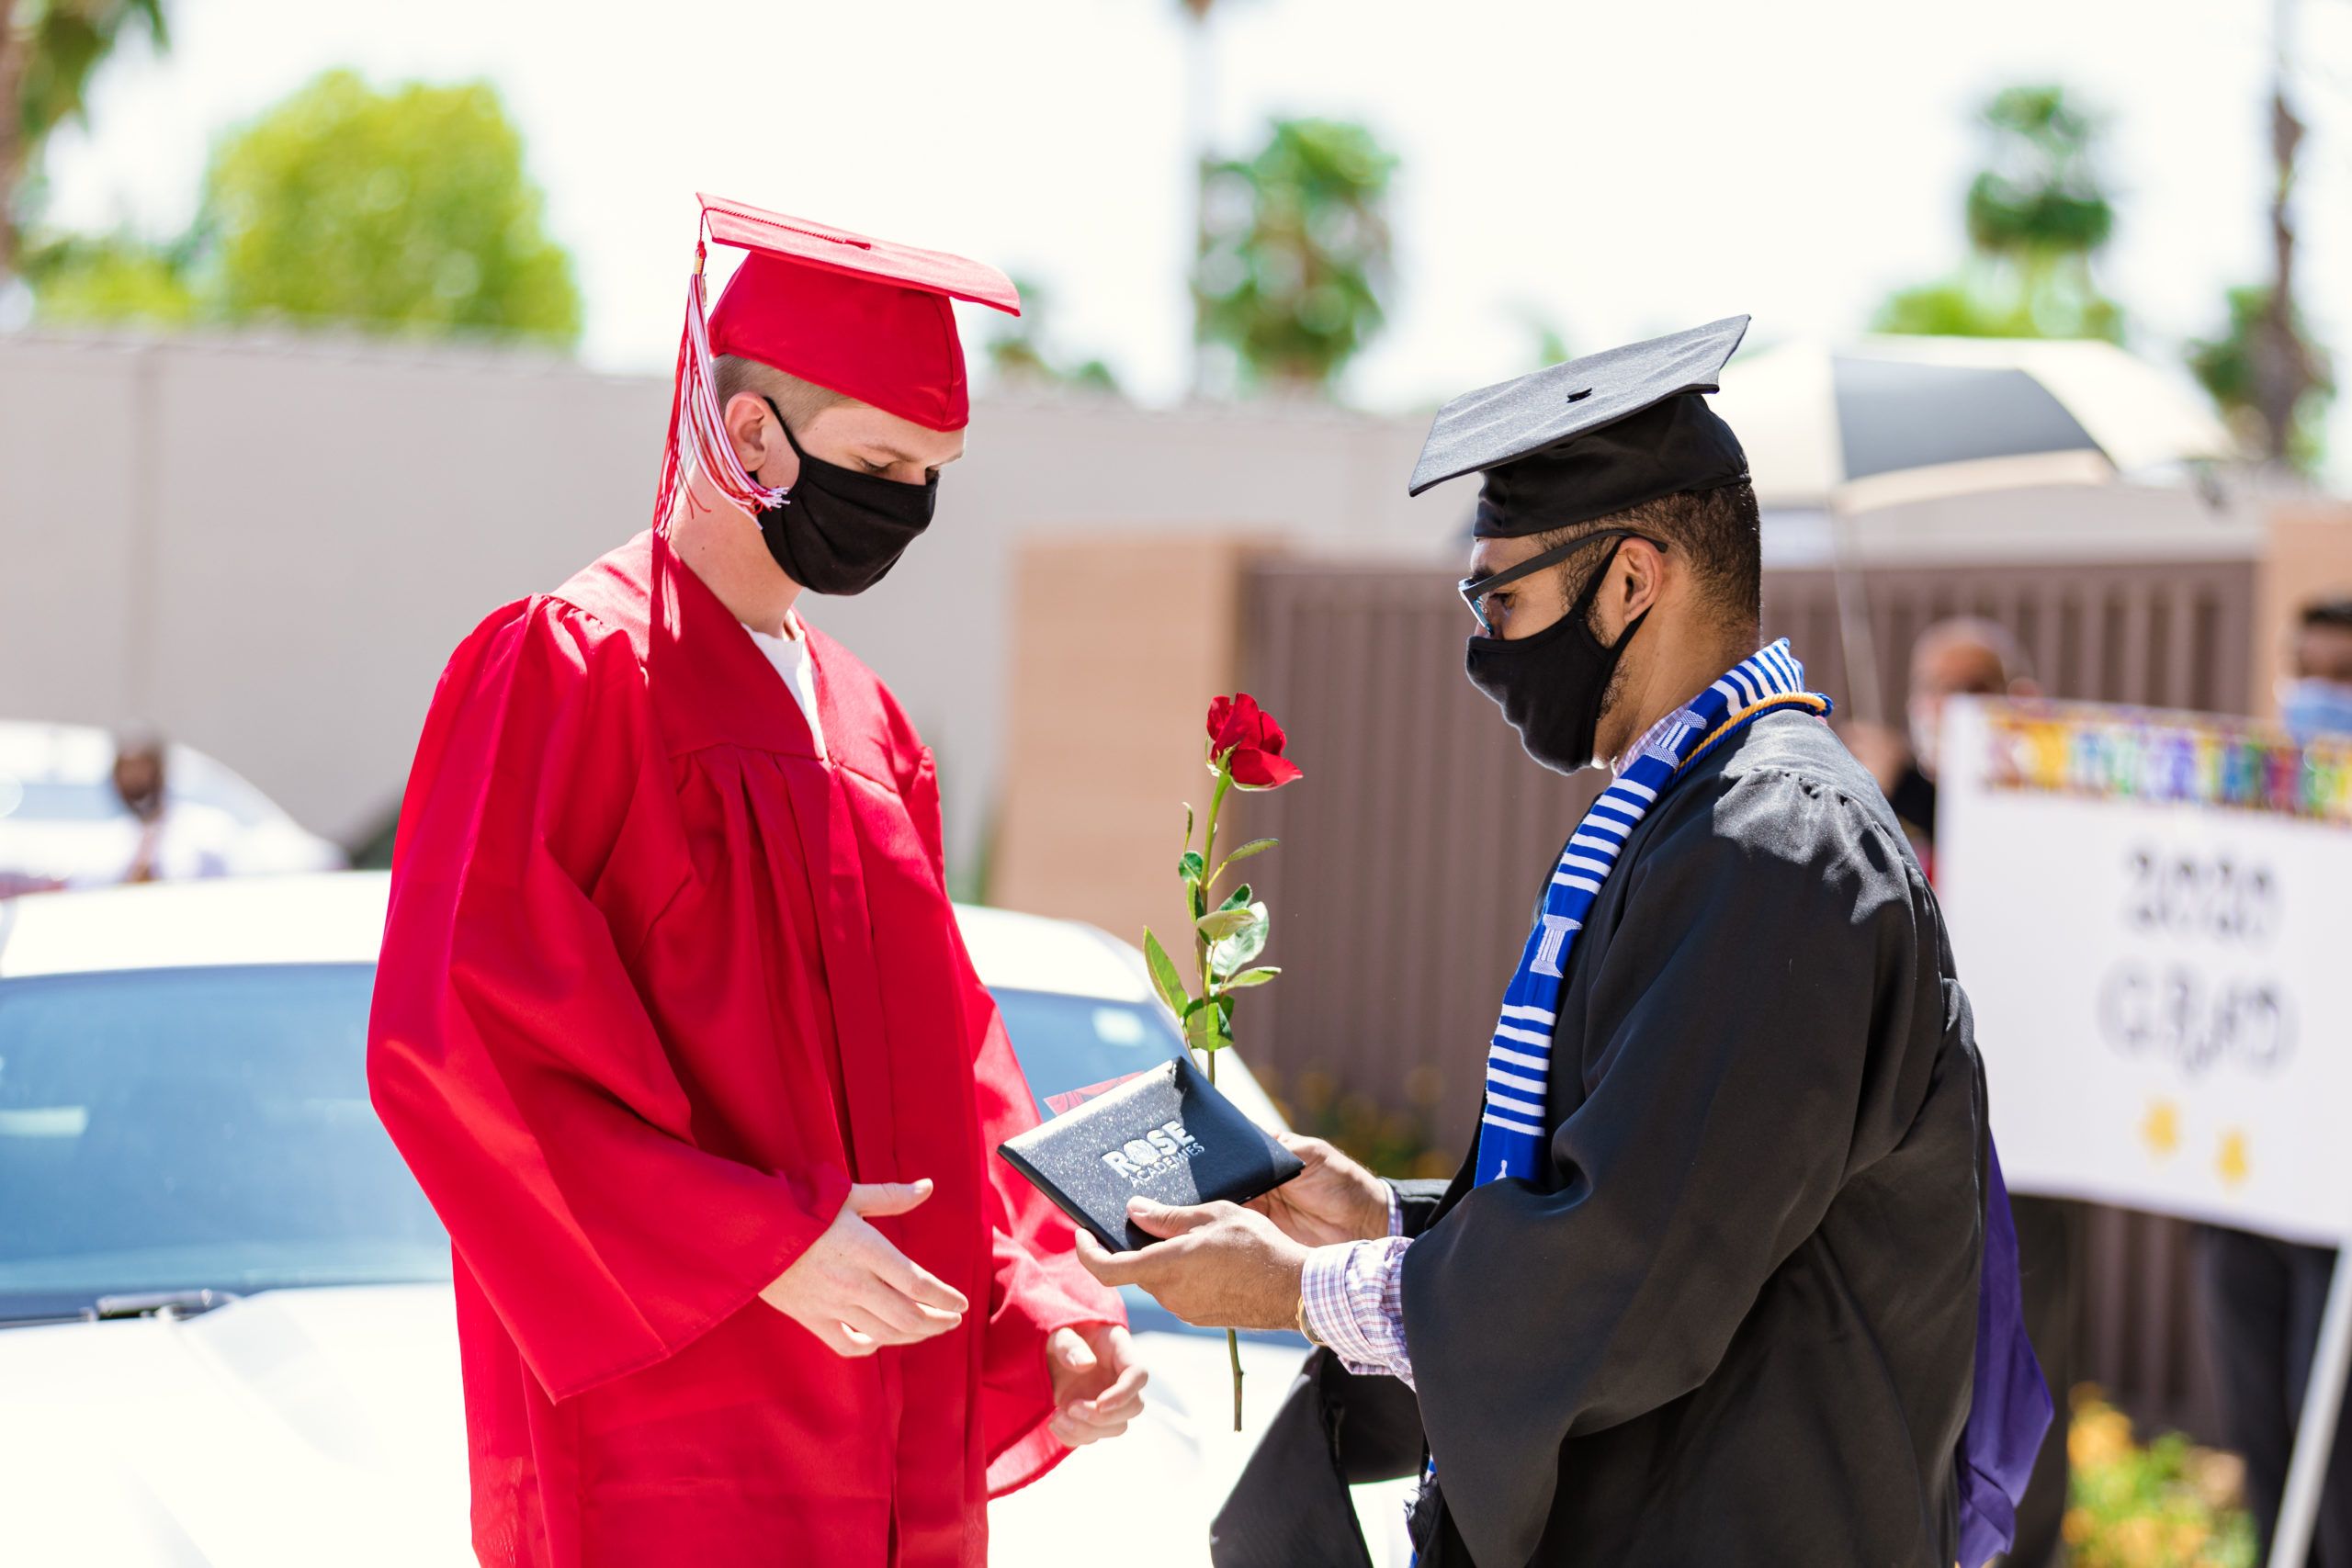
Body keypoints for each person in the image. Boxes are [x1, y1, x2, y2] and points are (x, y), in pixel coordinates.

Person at [1079, 319, 2049, 1567]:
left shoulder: (1775, 845)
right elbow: (1648, 1183)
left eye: (1504, 595)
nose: (1486, 645)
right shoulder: (1698, 809)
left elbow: (1631, 1269)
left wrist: (1295, 1289)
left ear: (1635, 578)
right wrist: (1382, 1218)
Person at [367, 195, 1142, 1568]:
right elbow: (457, 1038)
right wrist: (759, 1242)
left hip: (892, 1424)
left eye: (934, 470)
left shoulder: (871, 726)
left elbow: (954, 1059)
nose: (907, 502)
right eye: (881, 457)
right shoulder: (569, 670)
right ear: (748, 436)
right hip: (680, 1431)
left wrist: (1044, 1299)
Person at [1848, 618, 2076, 1568]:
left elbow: (2012, 882)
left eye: (1967, 688)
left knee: (2029, 1361)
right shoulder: (1877, 804)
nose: (1942, 709)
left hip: (2038, 1141)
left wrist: (1909, 784)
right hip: (1929, 1141)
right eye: (1928, 688)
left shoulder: (2046, 799)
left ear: (2016, 698)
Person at [2193, 593, 2352, 1567]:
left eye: (2343, 678)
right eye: (2311, 673)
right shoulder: (2246, 810)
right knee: (2261, 1432)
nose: (2321, 695)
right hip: (2243, 1186)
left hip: (2333, 1204)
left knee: (2330, 1453)